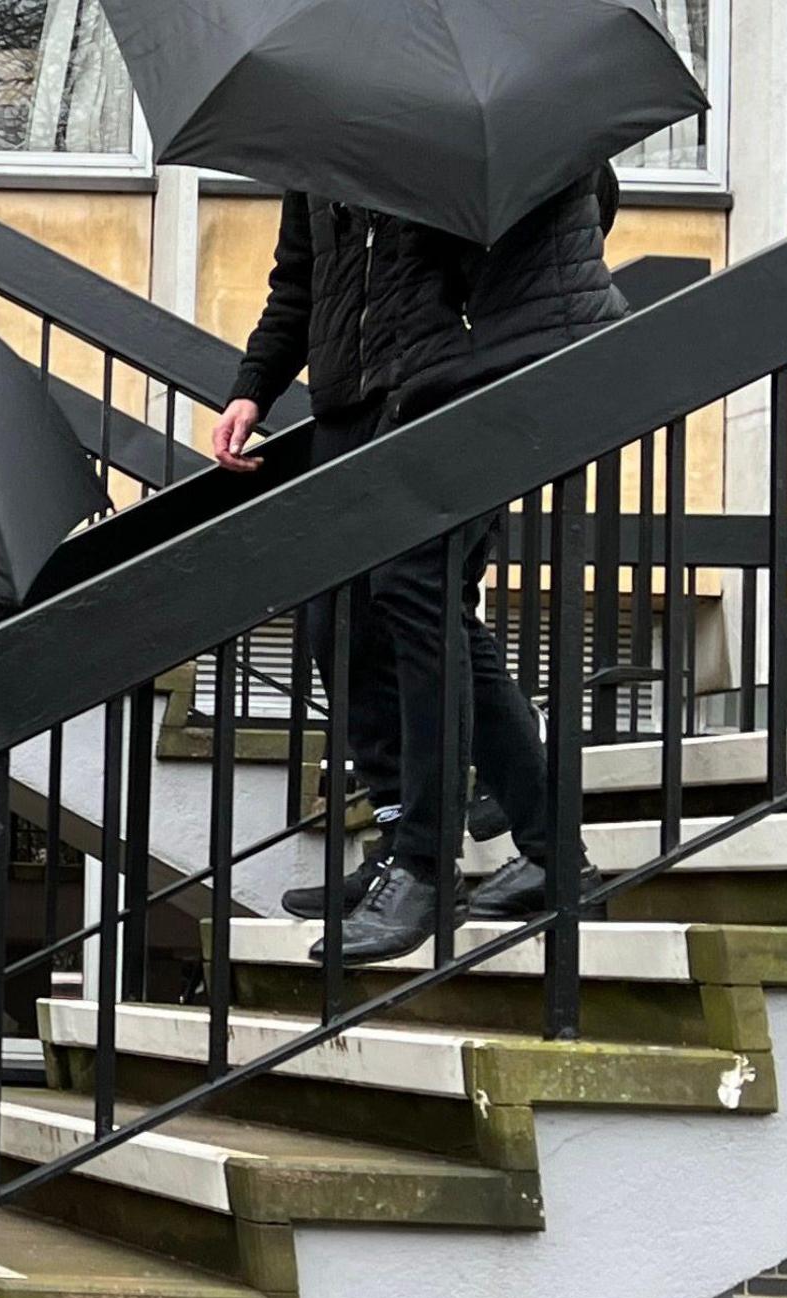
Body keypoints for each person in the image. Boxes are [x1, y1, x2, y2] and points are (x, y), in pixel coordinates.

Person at [212, 165, 625, 959]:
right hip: (352, 403)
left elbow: (576, 226)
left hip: (457, 392)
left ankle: (427, 870)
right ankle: (547, 856)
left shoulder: (481, 120)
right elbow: (298, 282)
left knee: (413, 590)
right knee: (342, 617)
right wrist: (252, 388)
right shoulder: (322, 142)